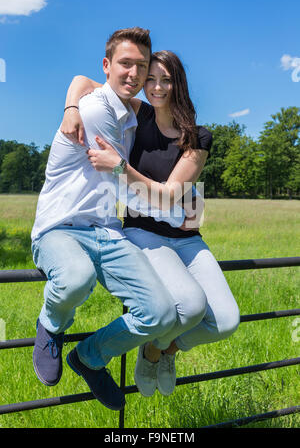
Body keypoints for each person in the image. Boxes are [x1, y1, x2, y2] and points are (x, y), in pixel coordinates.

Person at [60, 50, 240, 398]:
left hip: (186, 238)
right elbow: (82, 83)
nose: (156, 87)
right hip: (143, 232)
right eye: (150, 79)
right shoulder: (136, 116)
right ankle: (137, 352)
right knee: (188, 306)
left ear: (178, 84)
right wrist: (71, 110)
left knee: (226, 321)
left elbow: (171, 194)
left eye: (165, 79)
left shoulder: (198, 137)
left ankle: (159, 351)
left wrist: (118, 167)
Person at [31, 28, 194, 412]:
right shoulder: (95, 110)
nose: (135, 74)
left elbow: (84, 80)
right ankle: (51, 324)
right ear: (107, 66)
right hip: (61, 228)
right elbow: (122, 184)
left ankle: (89, 356)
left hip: (107, 231)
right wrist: (178, 207)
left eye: (141, 65)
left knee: (161, 314)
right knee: (76, 277)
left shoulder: (131, 115)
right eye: (125, 64)